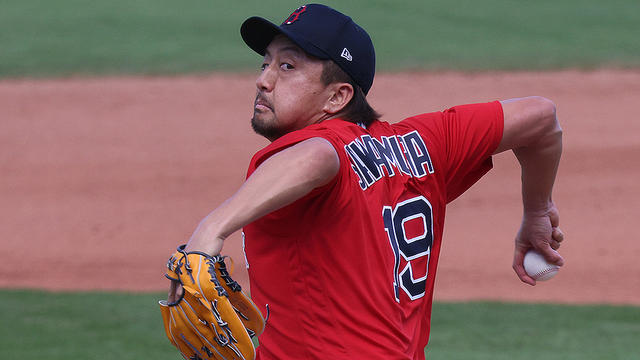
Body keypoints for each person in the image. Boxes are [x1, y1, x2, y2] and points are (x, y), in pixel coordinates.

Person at [170, 3, 565, 359]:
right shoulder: (426, 142)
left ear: (337, 98)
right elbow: (541, 117)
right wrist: (537, 209)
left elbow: (320, 158)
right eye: (265, 64)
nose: (264, 80)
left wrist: (211, 230)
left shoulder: (317, 147)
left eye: (287, 67)